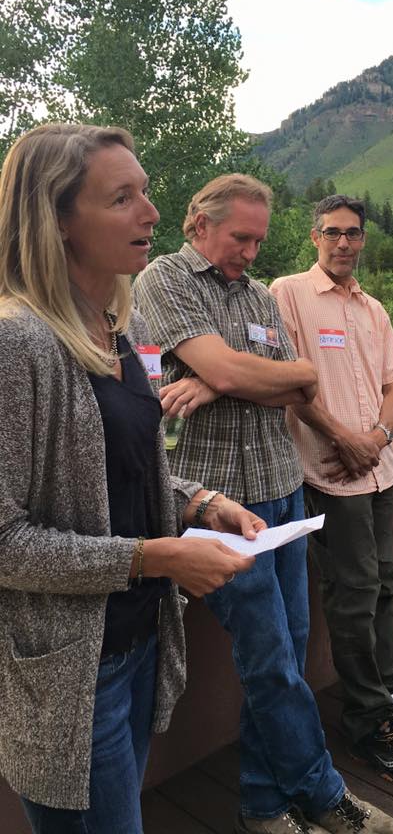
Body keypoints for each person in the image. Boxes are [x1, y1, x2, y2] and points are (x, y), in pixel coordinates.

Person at [0, 124, 261, 834]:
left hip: (141, 639)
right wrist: (153, 557)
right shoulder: (17, 343)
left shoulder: (117, 325)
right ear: (56, 218)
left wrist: (200, 502)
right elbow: (6, 542)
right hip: (71, 674)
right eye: (122, 198)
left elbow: (125, 471)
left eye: (144, 192)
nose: (151, 211)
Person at [134, 175, 393, 834]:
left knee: (290, 648)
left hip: (282, 489)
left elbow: (302, 382)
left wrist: (217, 379)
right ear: (200, 224)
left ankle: (263, 803)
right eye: (241, 238)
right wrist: (232, 373)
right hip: (216, 503)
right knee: (271, 658)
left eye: (258, 240)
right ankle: (323, 792)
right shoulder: (166, 280)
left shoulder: (257, 295)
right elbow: (248, 372)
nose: (252, 252)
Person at [270, 195, 393, 786]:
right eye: (333, 232)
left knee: (385, 584)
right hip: (330, 475)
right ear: (315, 236)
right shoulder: (288, 294)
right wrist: (345, 439)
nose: (344, 243)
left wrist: (378, 438)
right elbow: (290, 386)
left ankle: (381, 694)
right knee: (354, 592)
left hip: (379, 469)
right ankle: (366, 720)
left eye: (353, 233)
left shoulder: (373, 307)